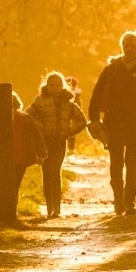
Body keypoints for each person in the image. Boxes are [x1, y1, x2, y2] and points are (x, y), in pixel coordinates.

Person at [90, 31, 136, 214]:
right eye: (127, 45)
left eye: (133, 45)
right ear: (122, 46)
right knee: (116, 163)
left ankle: (129, 201)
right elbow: (97, 94)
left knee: (132, 163)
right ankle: (118, 199)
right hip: (114, 122)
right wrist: (94, 119)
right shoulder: (112, 69)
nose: (130, 48)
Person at [23, 70, 88, 216]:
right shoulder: (39, 101)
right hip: (44, 143)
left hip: (59, 143)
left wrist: (68, 132)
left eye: (58, 85)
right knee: (46, 174)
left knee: (55, 173)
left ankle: (57, 209)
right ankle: (49, 208)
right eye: (51, 85)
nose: (55, 88)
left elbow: (82, 121)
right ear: (47, 86)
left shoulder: (69, 103)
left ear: (63, 86)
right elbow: (27, 116)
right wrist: (41, 127)